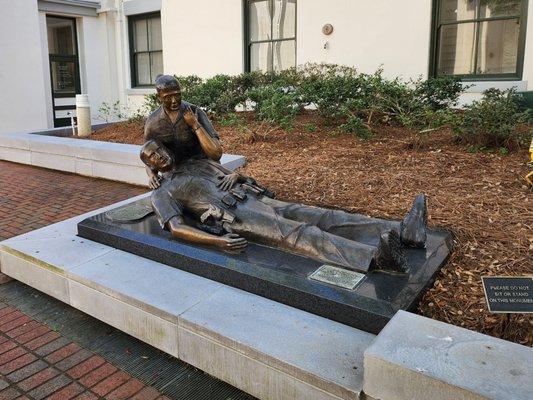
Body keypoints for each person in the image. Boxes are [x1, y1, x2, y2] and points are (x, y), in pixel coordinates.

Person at [140, 140, 429, 274]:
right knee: (300, 233)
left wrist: (236, 175)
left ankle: (403, 232)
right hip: (237, 217)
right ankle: (374, 258)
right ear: (150, 165)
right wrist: (217, 242)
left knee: (320, 215)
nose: (159, 155)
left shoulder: (197, 163)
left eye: (159, 149)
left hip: (252, 198)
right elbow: (177, 228)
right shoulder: (162, 193)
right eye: (152, 156)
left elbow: (228, 171)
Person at [143, 75, 222, 189]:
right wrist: (152, 175)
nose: (174, 101)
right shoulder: (153, 122)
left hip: (204, 168)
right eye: (168, 97)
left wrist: (195, 125)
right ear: (159, 97)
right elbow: (148, 155)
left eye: (177, 95)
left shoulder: (195, 112)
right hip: (175, 173)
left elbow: (216, 154)